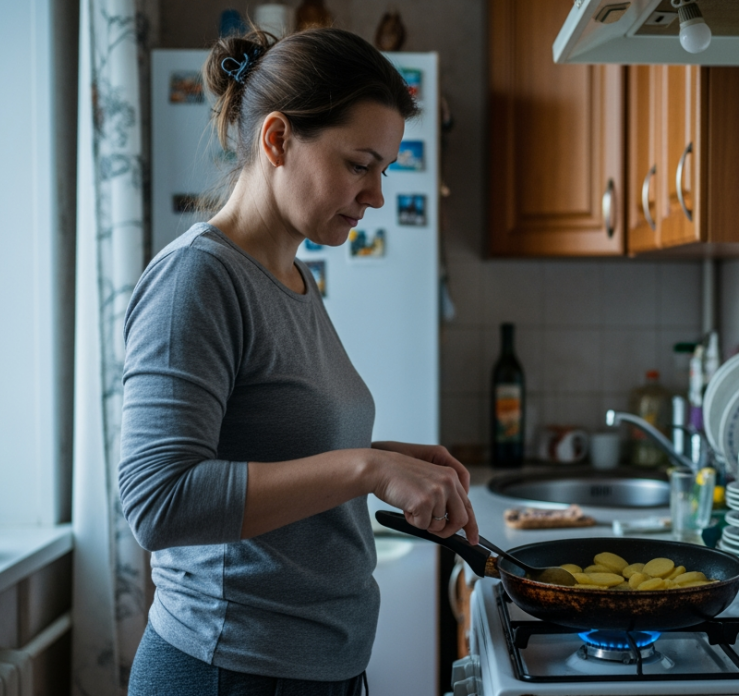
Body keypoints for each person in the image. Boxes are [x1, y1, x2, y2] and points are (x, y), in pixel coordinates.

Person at [121, 28, 478, 695]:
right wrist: (365, 467)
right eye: (360, 163)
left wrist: (388, 458)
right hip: (230, 672)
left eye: (385, 171)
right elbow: (158, 502)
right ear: (278, 139)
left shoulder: (292, 278)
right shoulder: (197, 281)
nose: (374, 194)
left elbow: (272, 441)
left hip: (312, 667)